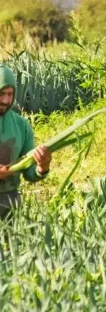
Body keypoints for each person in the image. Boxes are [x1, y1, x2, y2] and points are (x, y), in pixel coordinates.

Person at [0, 66, 52, 218]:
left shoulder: (21, 126)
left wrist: (42, 167)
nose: (5, 100)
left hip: (10, 203)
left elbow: (30, 173)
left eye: (10, 94)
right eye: (1, 93)